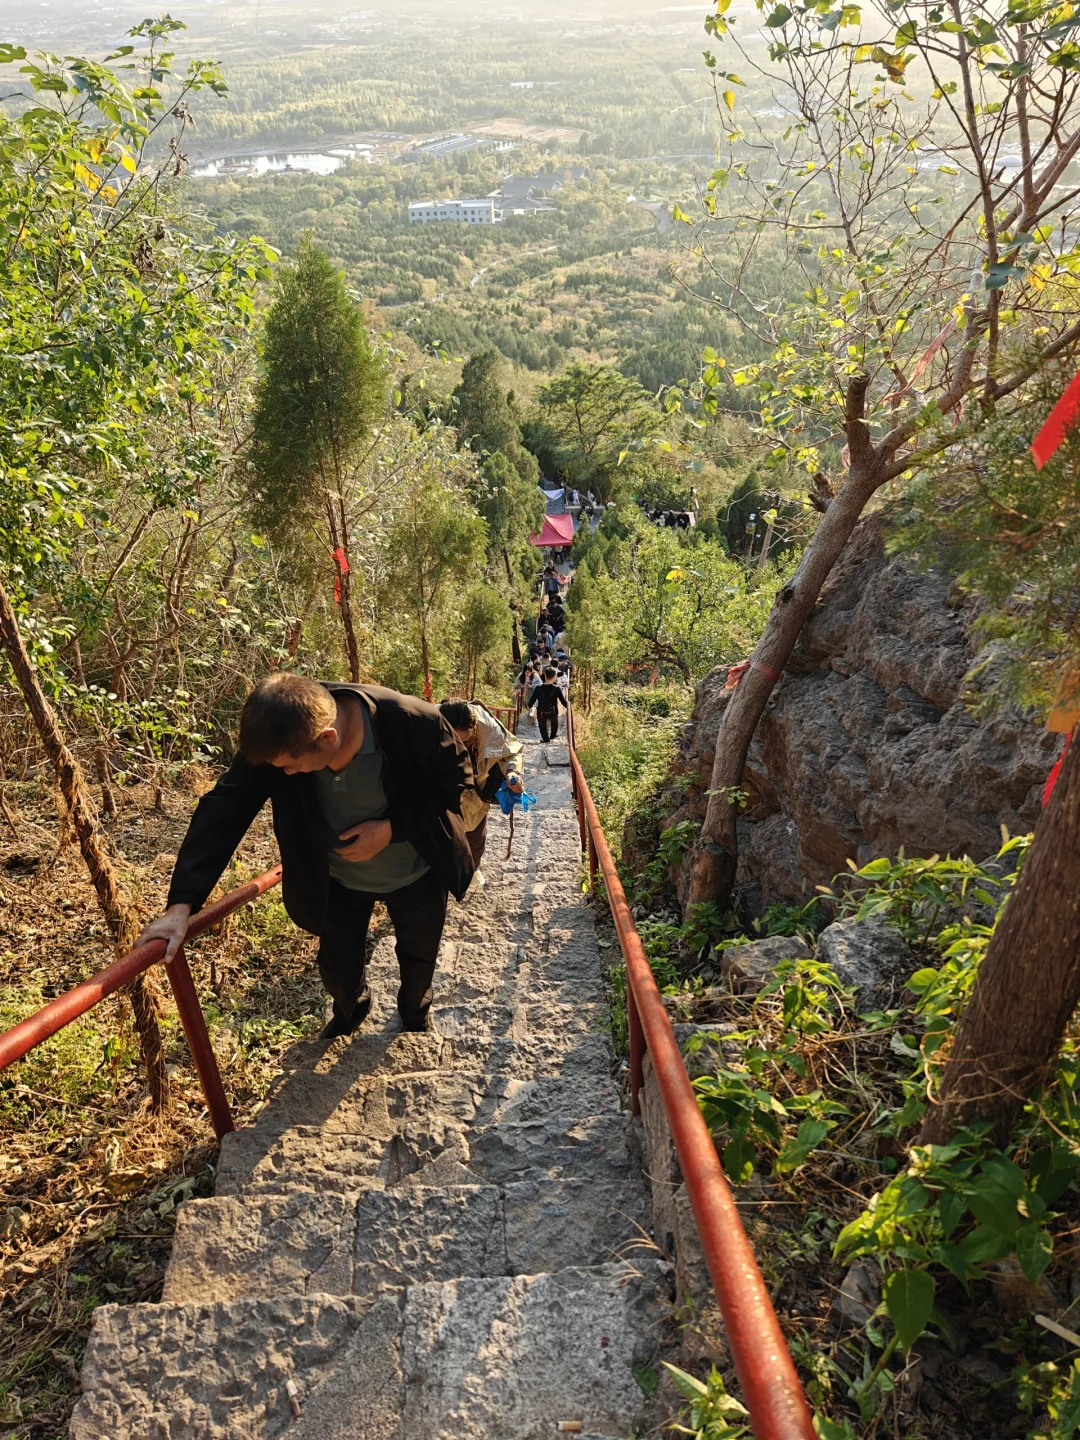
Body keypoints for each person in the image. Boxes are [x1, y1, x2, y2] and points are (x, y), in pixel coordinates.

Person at [136, 673, 473, 1040]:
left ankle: (414, 1015)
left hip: (416, 872)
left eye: (289, 768)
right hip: (337, 881)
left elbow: (455, 779)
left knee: (419, 958)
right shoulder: (283, 730)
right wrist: (182, 904)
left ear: (327, 738)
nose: (283, 773)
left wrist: (393, 828)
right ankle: (350, 1012)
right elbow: (226, 807)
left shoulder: (411, 721)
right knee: (338, 969)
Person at [439, 700, 524, 888]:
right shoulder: (431, 722)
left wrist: (512, 772)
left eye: (466, 739)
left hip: (477, 788)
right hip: (443, 786)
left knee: (475, 834)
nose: (460, 744)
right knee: (442, 830)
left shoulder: (490, 731)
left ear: (474, 728)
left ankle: (472, 868)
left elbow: (511, 752)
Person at [529, 665, 568, 743]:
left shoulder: (538, 688)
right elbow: (563, 702)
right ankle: (552, 737)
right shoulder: (556, 689)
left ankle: (546, 739)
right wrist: (569, 707)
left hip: (541, 712)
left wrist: (529, 706)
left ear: (545, 675)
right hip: (553, 712)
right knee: (554, 722)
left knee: (542, 726)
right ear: (554, 677)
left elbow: (531, 701)